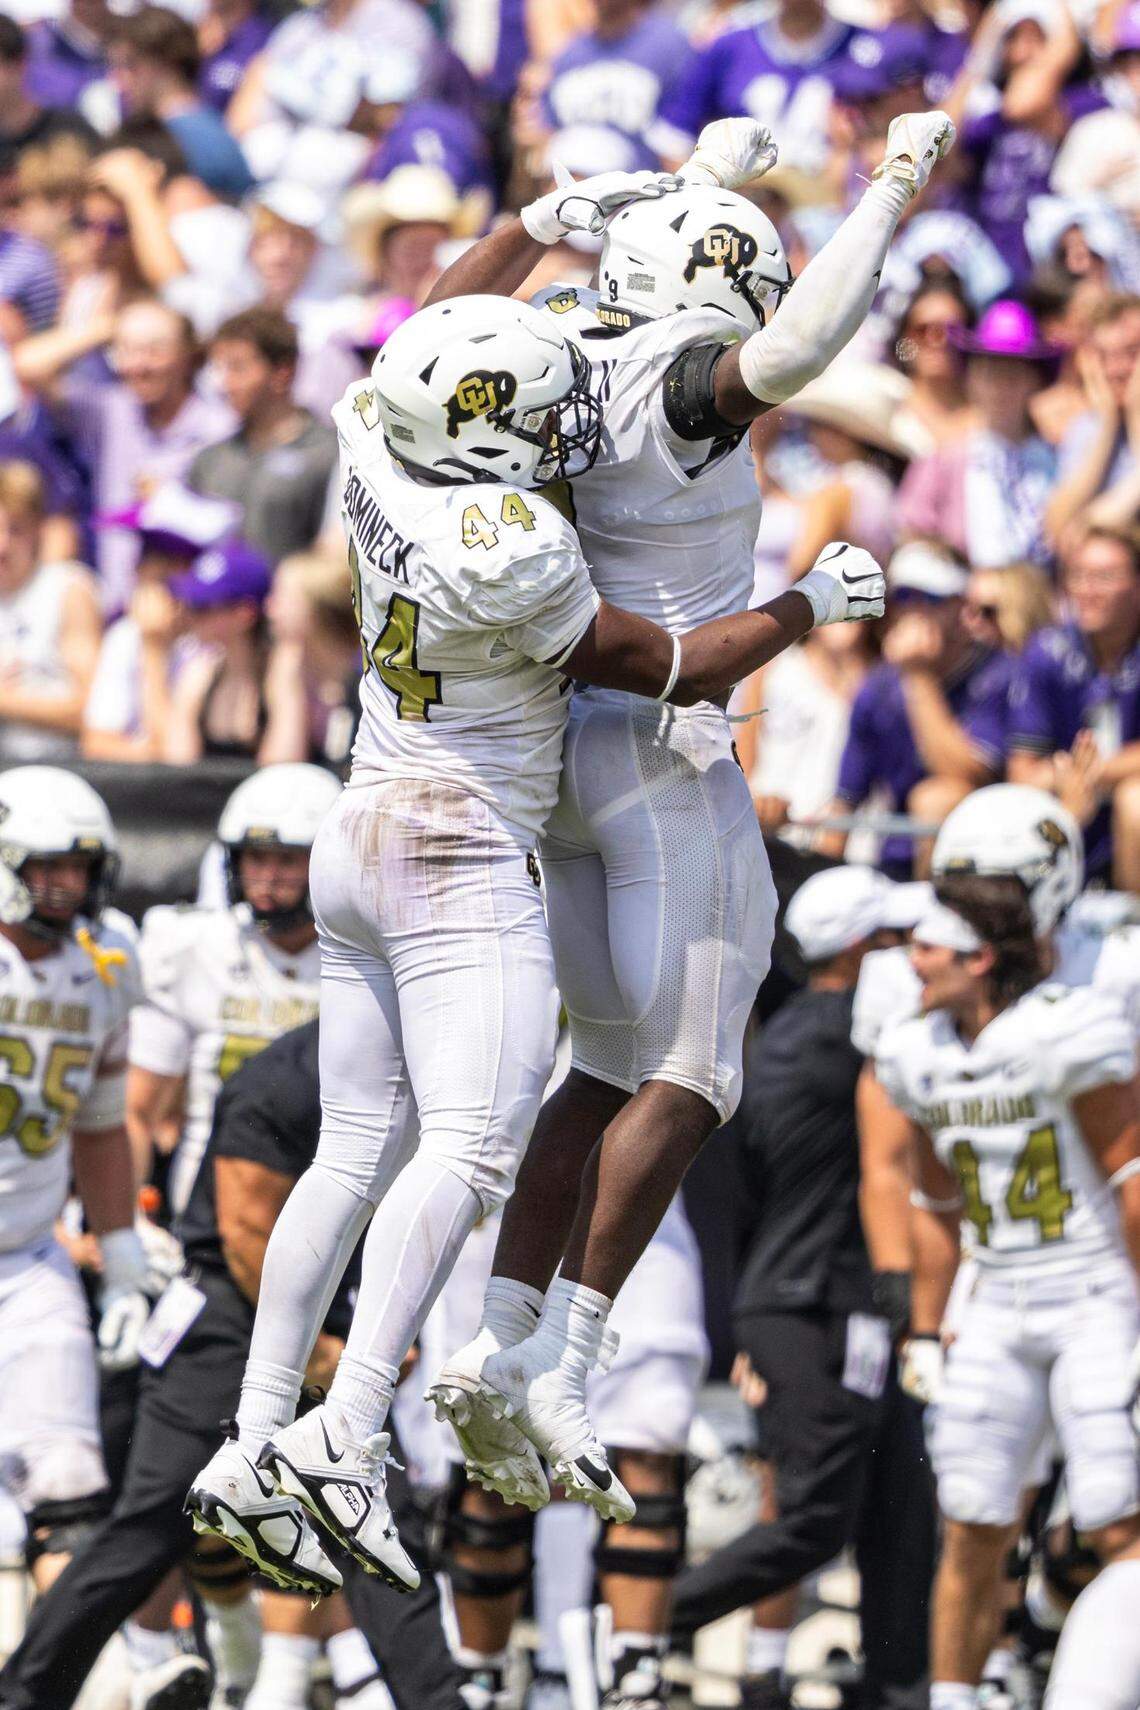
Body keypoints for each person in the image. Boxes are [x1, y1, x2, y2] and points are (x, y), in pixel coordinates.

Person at [185, 281, 887, 1598]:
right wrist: (806, 608)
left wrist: (536, 229)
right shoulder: (514, 552)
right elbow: (675, 663)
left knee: (350, 1149)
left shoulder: (374, 438)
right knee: (468, 1144)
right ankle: (344, 1438)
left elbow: (438, 319)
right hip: (458, 849)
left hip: (357, 818)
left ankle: (248, 1434)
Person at [415, 114, 951, 1525]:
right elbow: (789, 354)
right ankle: (564, 1367)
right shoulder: (679, 372)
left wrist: (544, 213)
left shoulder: (556, 346)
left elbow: (432, 340)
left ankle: (501, 1327)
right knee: (694, 1072)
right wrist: (891, 187)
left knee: (597, 1068)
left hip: (552, 745)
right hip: (666, 732)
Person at [0, 1022, 465, 1710]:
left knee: (376, 1522)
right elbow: (247, 1230)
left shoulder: (430, 1075)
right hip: (231, 1321)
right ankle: (25, 1695)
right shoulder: (283, 1079)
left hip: (325, 1314)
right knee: (152, 1523)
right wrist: (321, 1355)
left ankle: (438, 1703)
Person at [668, 866, 935, 1710]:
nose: (915, 959)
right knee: (817, 1517)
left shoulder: (785, 1035)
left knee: (899, 1503)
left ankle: (896, 1685)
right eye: (898, 942)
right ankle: (642, 1629)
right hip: (821, 1308)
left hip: (811, 1304)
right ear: (861, 953)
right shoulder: (845, 1048)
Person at [877, 874, 1140, 1710]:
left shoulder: (1065, 1033)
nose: (911, 961)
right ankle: (955, 1698)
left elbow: (1130, 1177)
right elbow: (936, 1204)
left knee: (1117, 1517)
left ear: (981, 957)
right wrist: (924, 1326)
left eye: (928, 946)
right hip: (996, 1301)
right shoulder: (917, 1053)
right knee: (973, 1517)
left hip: (1093, 1291)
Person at [0, 767, 148, 1594]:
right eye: (45, 866)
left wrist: (120, 1249)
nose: (64, 887)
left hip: (27, 1257)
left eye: (80, 868)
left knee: (68, 1499)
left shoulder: (107, 957)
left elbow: (99, 1122)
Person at [127, 762, 336, 1219]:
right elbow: (136, 1111)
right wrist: (130, 1223)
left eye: (286, 860)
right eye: (255, 858)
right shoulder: (192, 947)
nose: (266, 878)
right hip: (209, 1218)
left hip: (331, 1210)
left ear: (329, 859)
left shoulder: (361, 957)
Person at [13, 297, 234, 607]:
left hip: (197, 609)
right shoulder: (111, 410)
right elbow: (27, 365)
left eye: (155, 350)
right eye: (127, 351)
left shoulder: (221, 428)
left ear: (189, 355)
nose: (139, 366)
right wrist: (105, 328)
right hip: (118, 607)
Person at [822, 539, 1011, 876]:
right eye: (906, 597)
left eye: (933, 598)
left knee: (936, 797)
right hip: (892, 860)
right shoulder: (877, 686)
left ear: (961, 606)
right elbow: (845, 802)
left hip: (983, 861)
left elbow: (966, 776)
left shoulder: (999, 673)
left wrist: (918, 677)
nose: (916, 611)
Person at [1007, 525, 1140, 888]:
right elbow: (1023, 773)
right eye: (1078, 576)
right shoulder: (1046, 652)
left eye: (1105, 577)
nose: (1088, 590)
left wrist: (1095, 772)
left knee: (1136, 800)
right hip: (1069, 806)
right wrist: (1070, 780)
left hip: (1124, 812)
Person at [896, 298, 1058, 570]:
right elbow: (909, 529)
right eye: (991, 374)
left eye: (1013, 375)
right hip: (968, 600)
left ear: (1034, 381)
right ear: (972, 380)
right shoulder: (946, 456)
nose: (1001, 387)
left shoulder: (1053, 458)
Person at [188, 306, 338, 563]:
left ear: (282, 372)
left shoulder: (330, 454)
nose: (225, 384)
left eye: (237, 368)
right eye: (220, 369)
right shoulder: (210, 461)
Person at [0, 458, 101, 762]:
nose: (2, 545)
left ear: (38, 530)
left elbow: (95, 711)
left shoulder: (67, 588)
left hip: (56, 772)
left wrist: (6, 702)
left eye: (15, 530)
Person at [107, 5, 254, 199]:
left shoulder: (204, 142)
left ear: (164, 63)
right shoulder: (149, 129)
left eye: (129, 65)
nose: (117, 81)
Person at [160, 538, 275, 764]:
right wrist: (185, 707)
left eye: (201, 608)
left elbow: (284, 773)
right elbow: (179, 766)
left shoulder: (280, 676)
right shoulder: (198, 672)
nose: (190, 616)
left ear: (245, 614)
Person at [1046, 293, 1140, 548]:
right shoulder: (1086, 428)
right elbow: (1057, 533)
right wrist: (1108, 425)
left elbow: (1080, 537)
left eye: (1131, 353)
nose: (1117, 369)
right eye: (1105, 356)